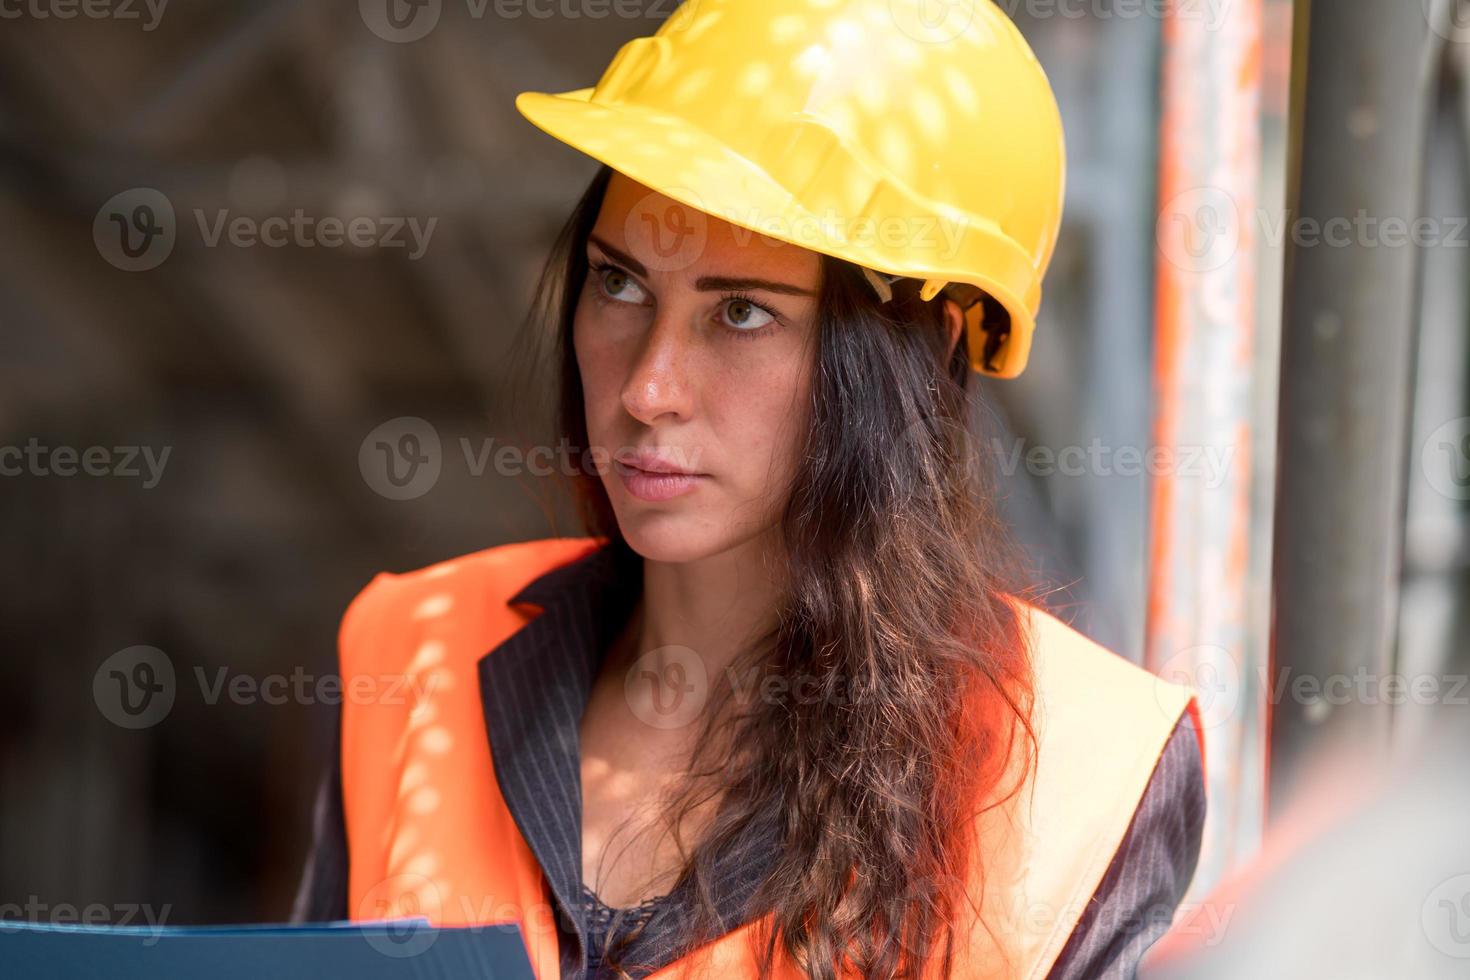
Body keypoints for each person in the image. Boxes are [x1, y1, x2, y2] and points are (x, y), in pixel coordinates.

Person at [292, 1, 1206, 978]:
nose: (647, 387)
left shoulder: (1085, 768)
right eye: (620, 283)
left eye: (740, 311)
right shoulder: (414, 648)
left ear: (925, 347)